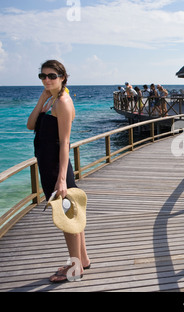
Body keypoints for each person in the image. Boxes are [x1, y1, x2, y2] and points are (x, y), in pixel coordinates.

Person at [27, 60, 90, 283]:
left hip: (56, 166)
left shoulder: (62, 101)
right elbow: (30, 125)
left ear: (63, 77)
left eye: (52, 76)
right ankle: (82, 259)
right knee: (71, 212)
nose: (46, 80)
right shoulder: (50, 99)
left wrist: (61, 179)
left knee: (66, 216)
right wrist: (41, 100)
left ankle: (75, 268)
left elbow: (64, 143)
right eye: (42, 76)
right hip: (47, 163)